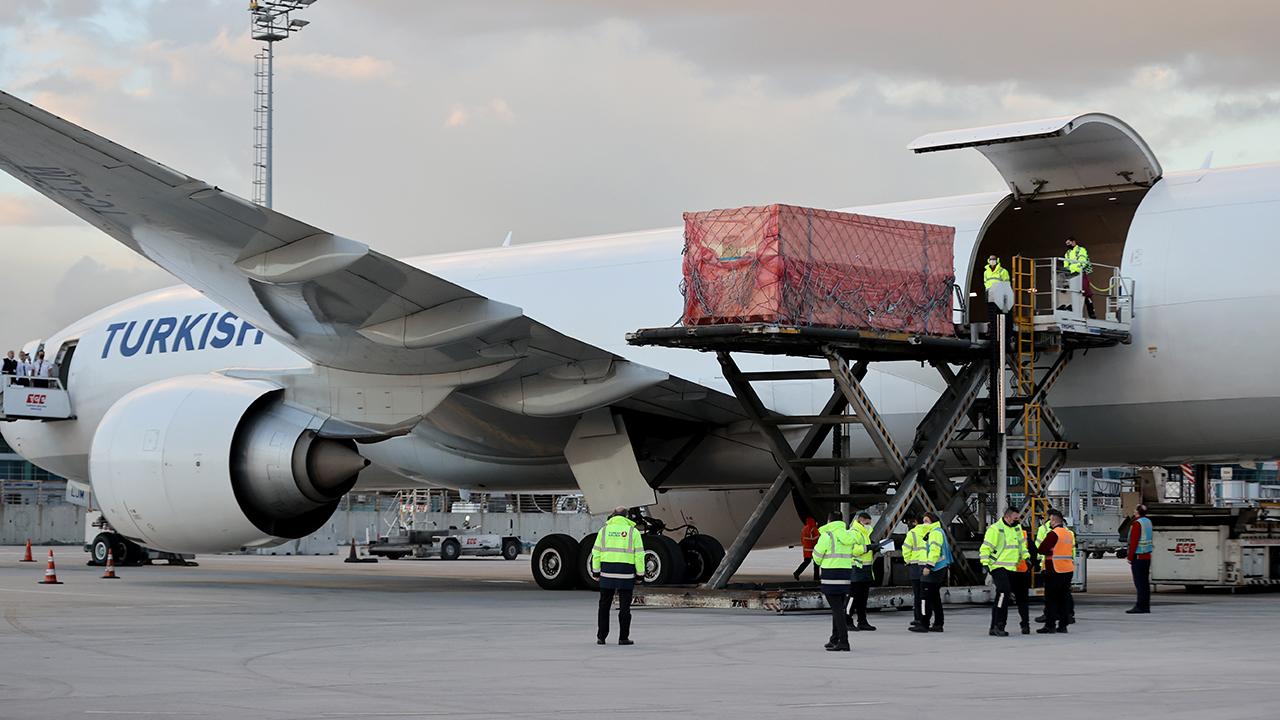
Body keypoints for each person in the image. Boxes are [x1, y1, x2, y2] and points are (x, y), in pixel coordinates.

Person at [590, 506, 646, 646]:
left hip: (607, 573)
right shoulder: (633, 532)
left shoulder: (603, 531)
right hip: (625, 574)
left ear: (613, 515)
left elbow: (596, 553)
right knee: (625, 607)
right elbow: (639, 555)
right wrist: (640, 575)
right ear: (627, 517)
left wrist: (596, 572)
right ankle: (623, 638)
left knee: (604, 606)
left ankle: (601, 637)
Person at [980, 507, 1030, 636]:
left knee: (1001, 596)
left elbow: (1021, 545)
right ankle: (999, 625)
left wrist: (1026, 557)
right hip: (997, 566)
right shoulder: (995, 529)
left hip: (1011, 567)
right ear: (1007, 517)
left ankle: (993, 627)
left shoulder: (1017, 528)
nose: (1017, 520)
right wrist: (985, 564)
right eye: (1015, 517)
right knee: (1004, 593)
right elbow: (986, 547)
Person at [812, 512, 857, 651]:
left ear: (829, 520)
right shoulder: (848, 535)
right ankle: (834, 638)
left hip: (830, 574)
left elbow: (817, 556)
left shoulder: (828, 535)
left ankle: (844, 641)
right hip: (845, 574)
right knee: (839, 607)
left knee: (837, 610)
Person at [1036, 510, 1075, 634]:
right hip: (1067, 569)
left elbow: (1042, 549)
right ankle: (1063, 625)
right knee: (1063, 598)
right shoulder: (1069, 534)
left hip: (1054, 569)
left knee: (1051, 600)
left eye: (1050, 520)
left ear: (1053, 521)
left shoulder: (1053, 534)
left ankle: (1050, 625)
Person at [910, 511, 950, 633]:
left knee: (924, 597)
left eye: (927, 521)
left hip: (934, 568)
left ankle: (923, 623)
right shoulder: (938, 532)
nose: (924, 523)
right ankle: (938, 623)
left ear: (933, 521)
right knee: (935, 598)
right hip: (940, 568)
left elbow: (934, 551)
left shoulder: (935, 533)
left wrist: (928, 566)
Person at [846, 511, 877, 632]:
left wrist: (874, 548)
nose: (869, 525)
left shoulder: (865, 533)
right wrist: (867, 548)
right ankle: (847, 620)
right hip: (856, 569)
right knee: (853, 597)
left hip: (866, 569)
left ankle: (862, 621)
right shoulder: (854, 533)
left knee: (863, 598)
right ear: (860, 521)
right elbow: (852, 550)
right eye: (867, 523)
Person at [1126, 504, 1154, 614]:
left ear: (1137, 512)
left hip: (1139, 557)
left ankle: (1140, 606)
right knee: (1145, 584)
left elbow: (1134, 541)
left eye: (1135, 509)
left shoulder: (1137, 523)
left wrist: (1129, 557)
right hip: (1147, 556)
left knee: (1139, 584)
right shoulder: (1148, 522)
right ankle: (1146, 606)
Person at [902, 516, 926, 631]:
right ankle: (924, 618)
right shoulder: (929, 531)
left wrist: (908, 560)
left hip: (915, 565)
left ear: (916, 521)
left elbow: (906, 549)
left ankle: (918, 618)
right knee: (925, 594)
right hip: (926, 565)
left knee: (917, 594)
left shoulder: (912, 533)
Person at [1063, 237, 1096, 319]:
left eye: (1069, 243)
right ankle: (1070, 309)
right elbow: (1065, 265)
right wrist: (1070, 269)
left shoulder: (1081, 250)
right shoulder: (1067, 253)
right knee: (1069, 292)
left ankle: (1091, 312)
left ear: (1074, 242)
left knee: (1086, 292)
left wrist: (1073, 268)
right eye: (1067, 244)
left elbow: (1082, 262)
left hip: (1080, 274)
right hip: (1071, 275)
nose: (1068, 245)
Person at [793, 517, 820, 582]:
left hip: (806, 550)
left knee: (806, 562)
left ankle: (797, 572)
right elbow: (816, 540)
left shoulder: (804, 529)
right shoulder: (814, 529)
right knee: (816, 564)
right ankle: (816, 578)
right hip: (813, 549)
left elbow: (802, 539)